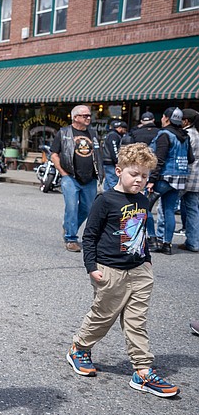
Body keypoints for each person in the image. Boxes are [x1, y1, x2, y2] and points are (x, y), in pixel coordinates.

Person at [67, 143, 178, 398]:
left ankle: (142, 371)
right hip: (110, 271)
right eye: (134, 174)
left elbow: (140, 231)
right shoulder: (105, 200)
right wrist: (91, 267)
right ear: (118, 171)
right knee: (102, 317)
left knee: (136, 322)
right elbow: (91, 235)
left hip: (139, 271)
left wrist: (147, 259)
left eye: (144, 176)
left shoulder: (142, 199)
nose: (139, 180)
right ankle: (79, 348)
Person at [50, 105, 104, 252]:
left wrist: (100, 172)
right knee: (72, 208)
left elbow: (97, 154)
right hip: (71, 177)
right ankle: (71, 238)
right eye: (85, 115)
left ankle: (68, 227)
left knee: (87, 209)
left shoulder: (92, 133)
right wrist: (62, 172)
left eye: (89, 115)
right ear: (75, 117)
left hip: (90, 178)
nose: (88, 118)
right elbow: (54, 154)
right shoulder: (64, 133)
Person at [147, 107, 195, 255]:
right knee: (169, 211)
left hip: (163, 178)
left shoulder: (164, 134)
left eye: (162, 116)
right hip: (179, 179)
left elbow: (159, 159)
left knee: (144, 207)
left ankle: (153, 240)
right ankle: (167, 244)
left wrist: (151, 180)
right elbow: (191, 159)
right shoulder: (184, 136)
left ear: (166, 118)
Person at [178, 108, 199, 252]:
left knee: (166, 206)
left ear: (185, 121)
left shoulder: (188, 135)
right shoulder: (197, 134)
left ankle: (162, 240)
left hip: (185, 177)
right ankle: (193, 242)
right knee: (193, 211)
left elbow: (184, 157)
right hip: (196, 179)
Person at [102, 120, 128, 191]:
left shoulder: (109, 134)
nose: (125, 131)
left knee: (108, 183)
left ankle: (106, 198)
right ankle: (112, 199)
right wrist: (117, 161)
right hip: (111, 162)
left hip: (107, 162)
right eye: (124, 129)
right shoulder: (114, 135)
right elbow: (114, 149)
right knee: (113, 183)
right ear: (119, 128)